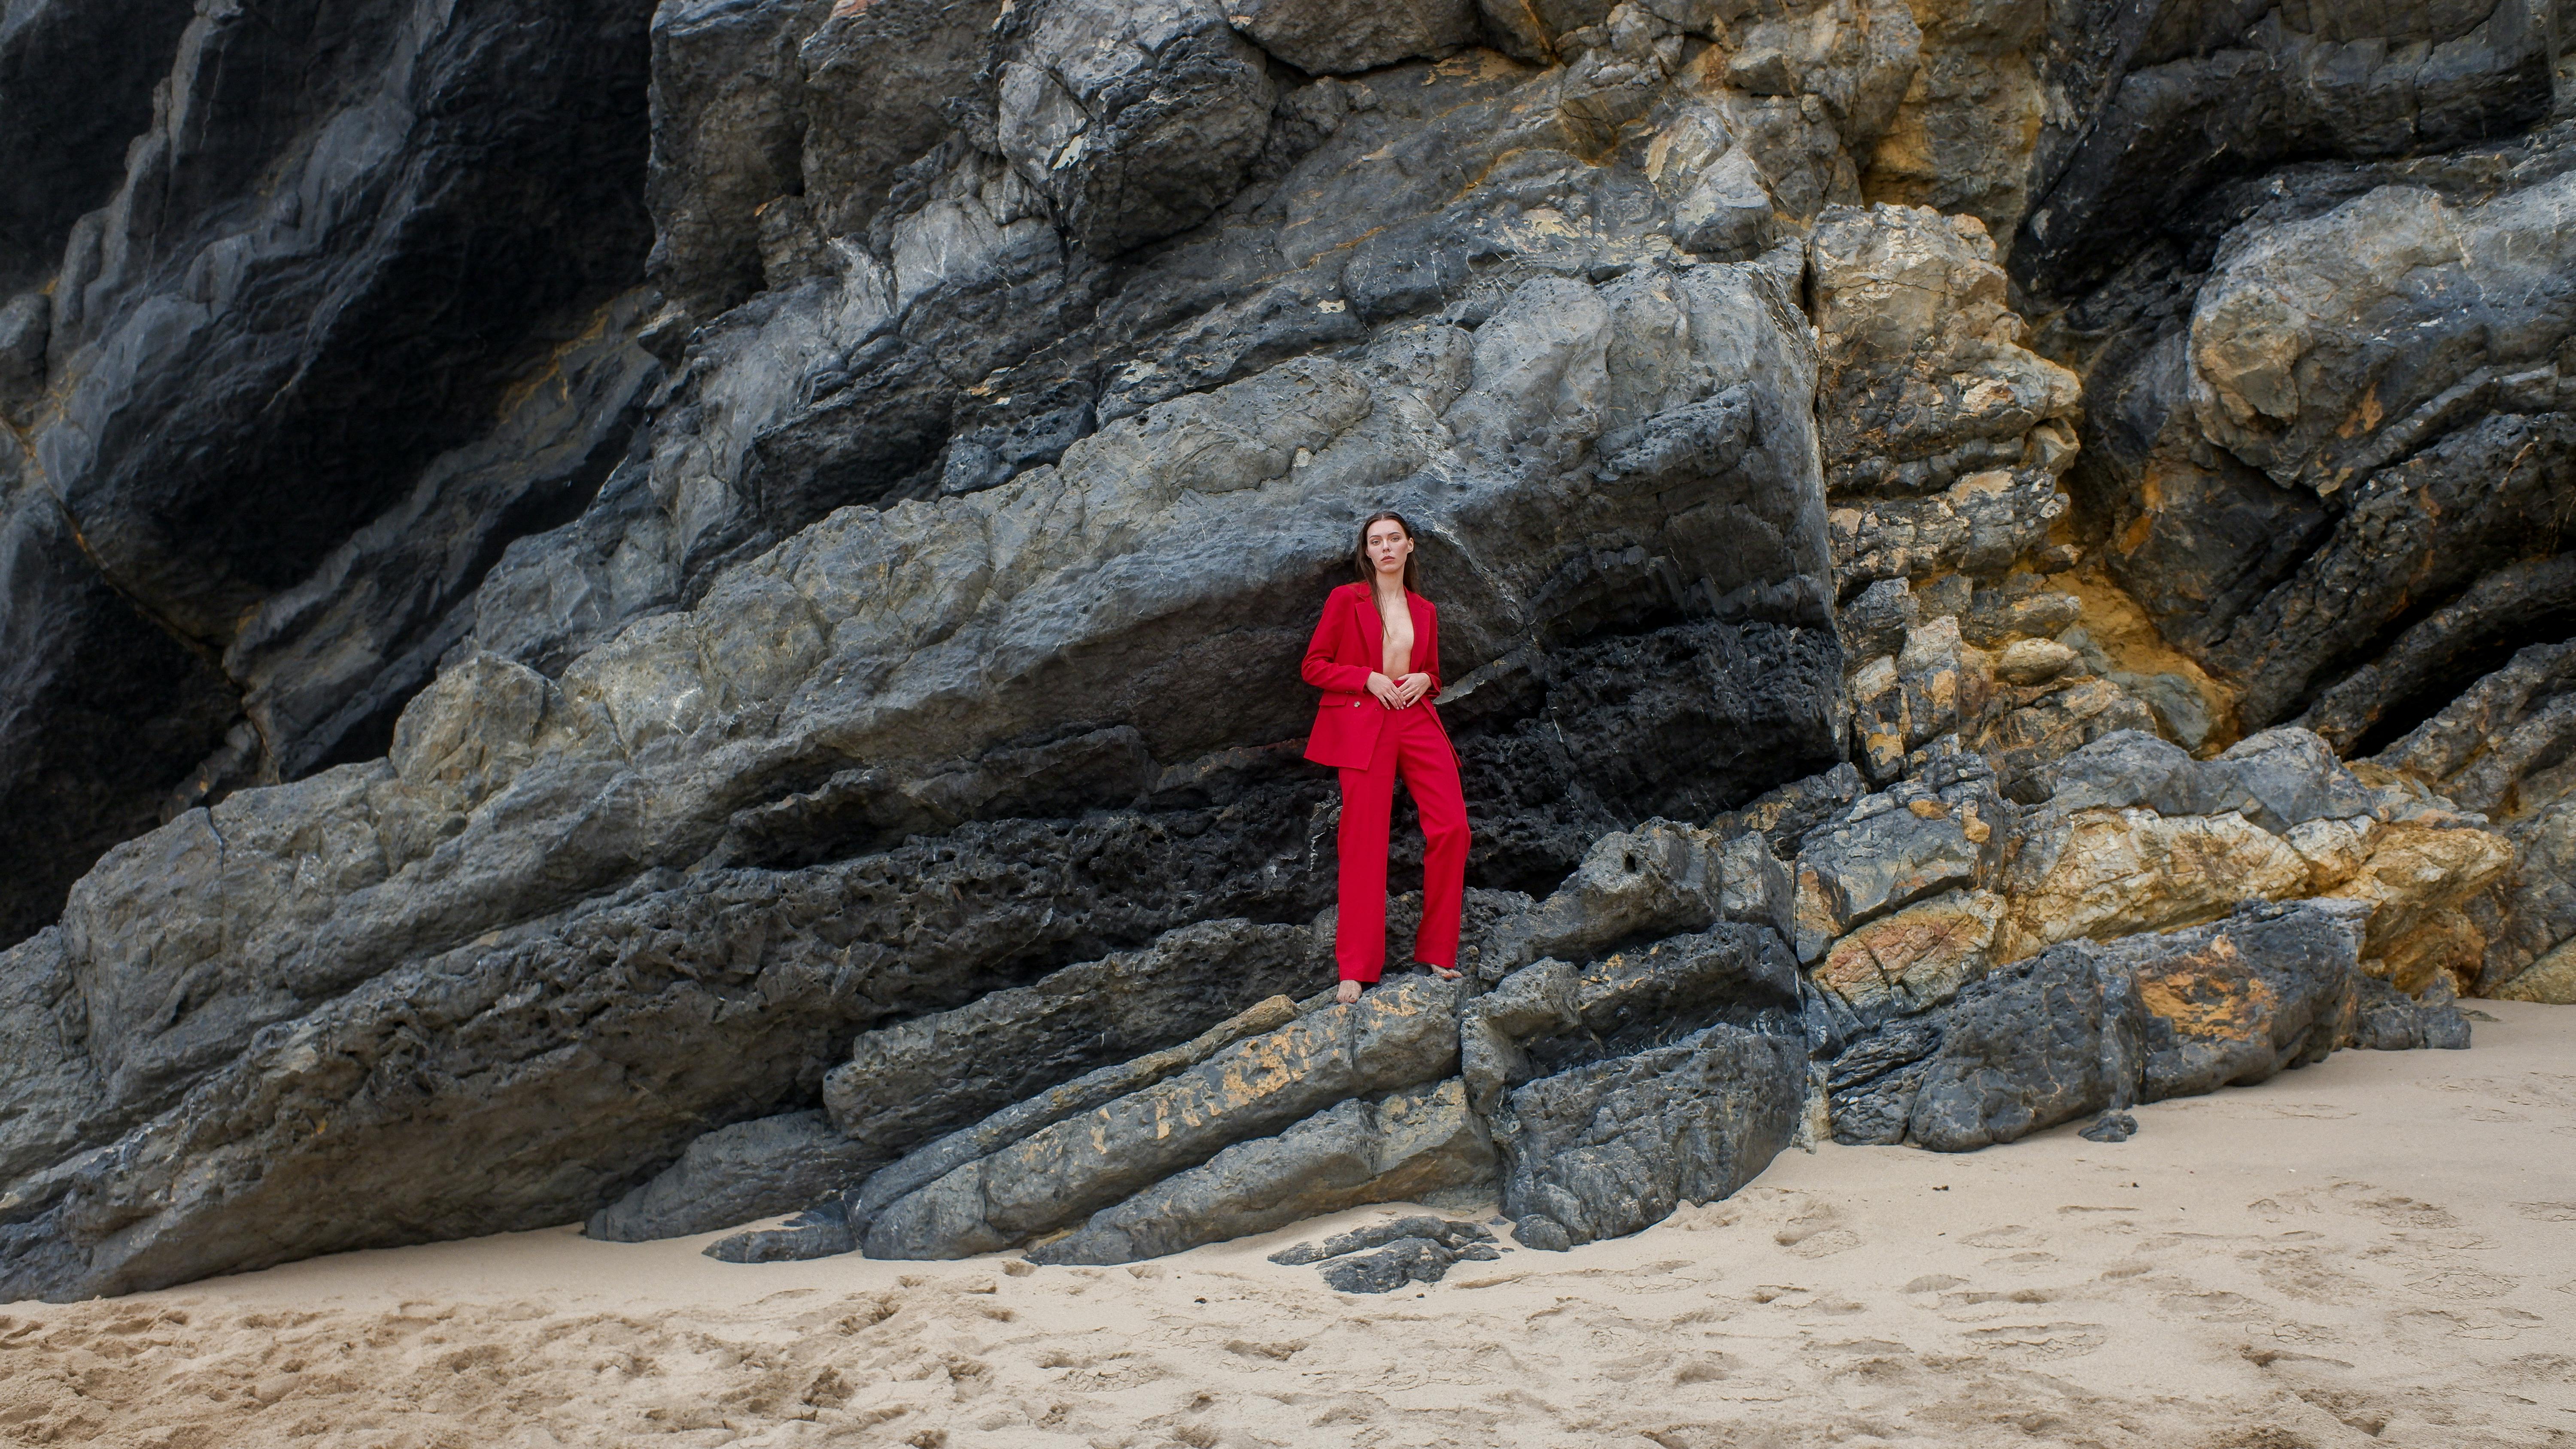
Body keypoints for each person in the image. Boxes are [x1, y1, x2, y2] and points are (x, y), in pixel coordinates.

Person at [1300, 510, 1471, 1005]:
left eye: (1395, 538)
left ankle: (1438, 952)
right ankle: (1355, 969)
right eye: (1377, 541)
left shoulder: (1426, 610)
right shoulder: (1345, 599)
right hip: (1364, 719)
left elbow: (1433, 675)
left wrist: (1426, 681)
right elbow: (1314, 665)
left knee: (1453, 828)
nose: (1387, 547)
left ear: (1411, 546)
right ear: (1368, 552)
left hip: (1416, 720)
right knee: (1363, 840)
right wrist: (1367, 678)